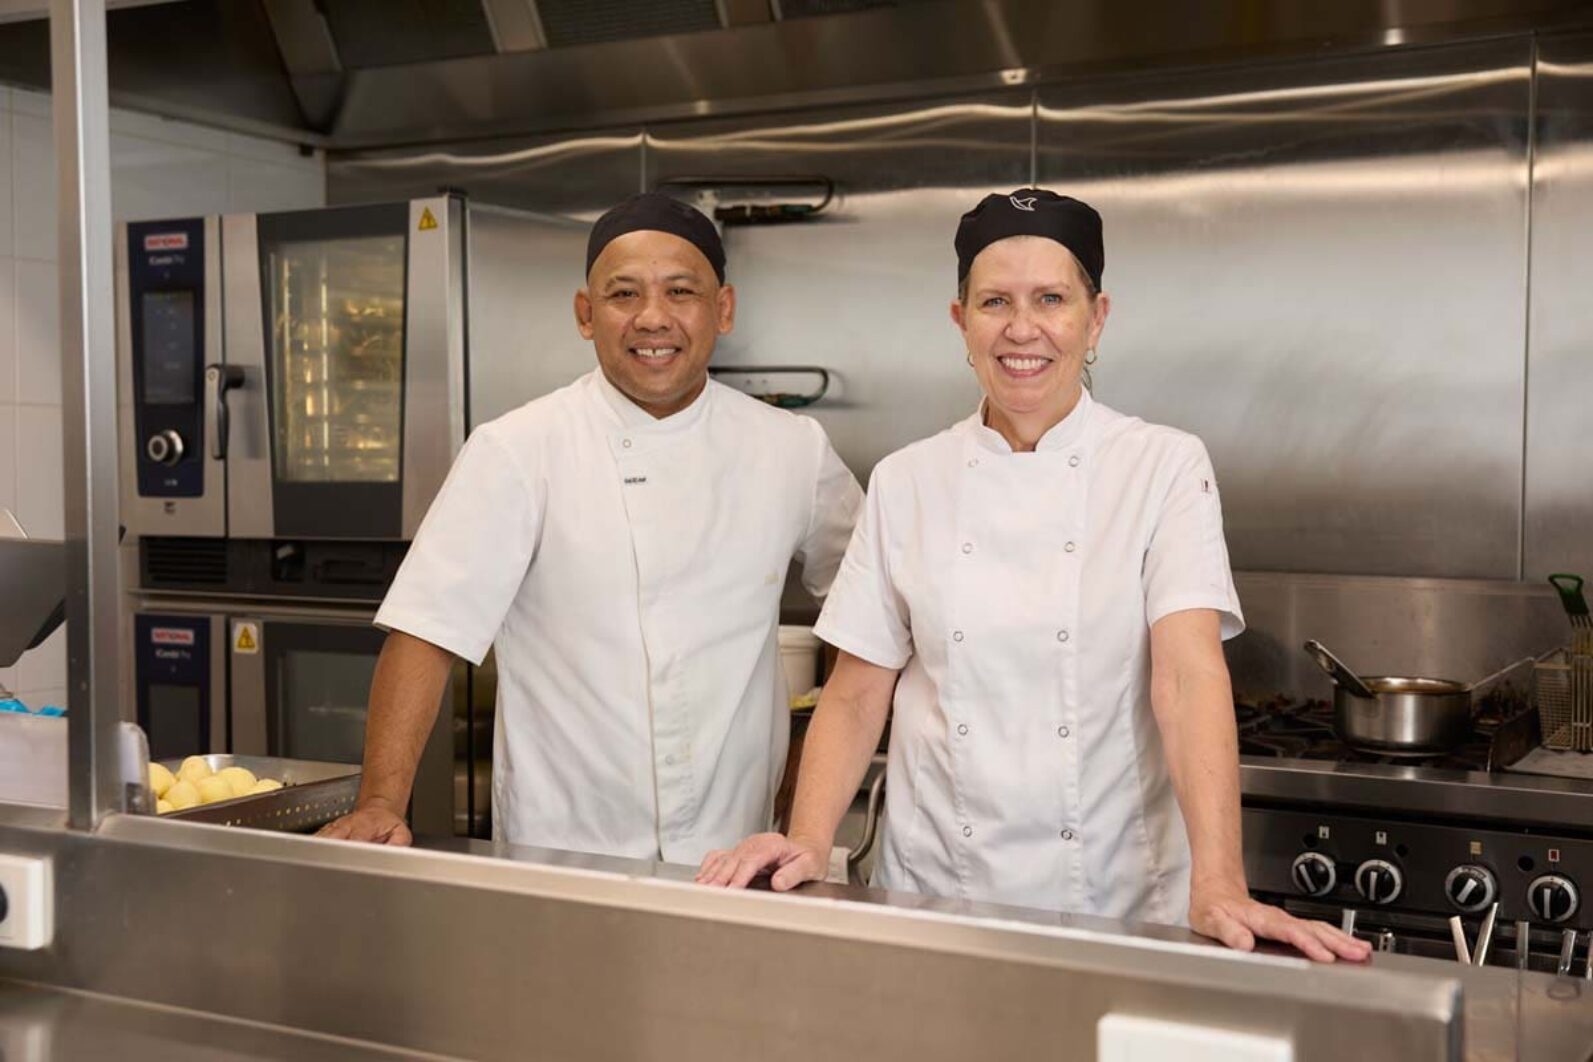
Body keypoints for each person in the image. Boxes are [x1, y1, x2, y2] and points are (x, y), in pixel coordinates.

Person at [696, 189, 1370, 964]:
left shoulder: (1160, 466)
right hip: (934, 889)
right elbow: (855, 689)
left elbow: (1185, 677)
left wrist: (1219, 880)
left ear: (1096, 317)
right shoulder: (906, 479)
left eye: (1050, 299)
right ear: (960, 323)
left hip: (1113, 895)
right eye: (994, 302)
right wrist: (808, 840)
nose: (1022, 329)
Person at [318, 193, 863, 863]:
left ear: (722, 308)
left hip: (738, 846)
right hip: (562, 845)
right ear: (585, 314)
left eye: (680, 292)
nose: (652, 319)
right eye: (623, 295)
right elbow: (426, 631)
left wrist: (808, 782)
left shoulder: (792, 449)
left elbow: (864, 616)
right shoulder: (517, 449)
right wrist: (380, 802)